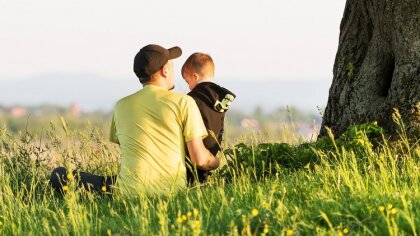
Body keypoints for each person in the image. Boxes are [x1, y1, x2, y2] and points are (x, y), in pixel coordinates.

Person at [50, 44, 220, 196]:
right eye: (172, 66)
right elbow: (201, 160)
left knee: (59, 174)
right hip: (172, 191)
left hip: (126, 191)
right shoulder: (184, 102)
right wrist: (217, 162)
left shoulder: (121, 106)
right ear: (164, 71)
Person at [181, 53, 235, 184]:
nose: (188, 86)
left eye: (188, 81)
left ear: (195, 76)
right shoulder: (221, 100)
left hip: (193, 152)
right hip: (211, 153)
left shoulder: (191, 99)